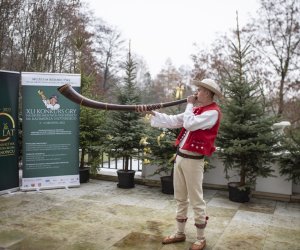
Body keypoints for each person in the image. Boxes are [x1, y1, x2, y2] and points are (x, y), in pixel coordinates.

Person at [149, 78, 222, 250]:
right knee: (180, 197)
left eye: (201, 90)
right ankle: (180, 233)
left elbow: (189, 123)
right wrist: (152, 113)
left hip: (194, 161)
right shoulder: (197, 110)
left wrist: (189, 104)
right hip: (180, 157)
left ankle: (200, 238)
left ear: (209, 94)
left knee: (196, 199)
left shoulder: (213, 112)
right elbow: (173, 120)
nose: (197, 92)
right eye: (198, 89)